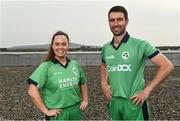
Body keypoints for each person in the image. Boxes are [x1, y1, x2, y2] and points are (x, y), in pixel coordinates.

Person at [100, 5, 174, 120]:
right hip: (114, 102)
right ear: (108, 22)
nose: (115, 23)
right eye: (112, 20)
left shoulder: (140, 45)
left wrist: (147, 91)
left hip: (134, 102)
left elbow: (167, 66)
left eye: (119, 19)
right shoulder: (106, 48)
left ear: (127, 21)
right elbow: (103, 64)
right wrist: (104, 83)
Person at [27, 31, 88, 120]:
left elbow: (83, 82)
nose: (60, 47)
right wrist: (46, 111)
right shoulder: (46, 66)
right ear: (52, 46)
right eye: (57, 44)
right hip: (58, 115)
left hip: (76, 112)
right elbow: (32, 91)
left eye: (64, 44)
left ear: (68, 46)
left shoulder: (75, 65)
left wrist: (85, 99)